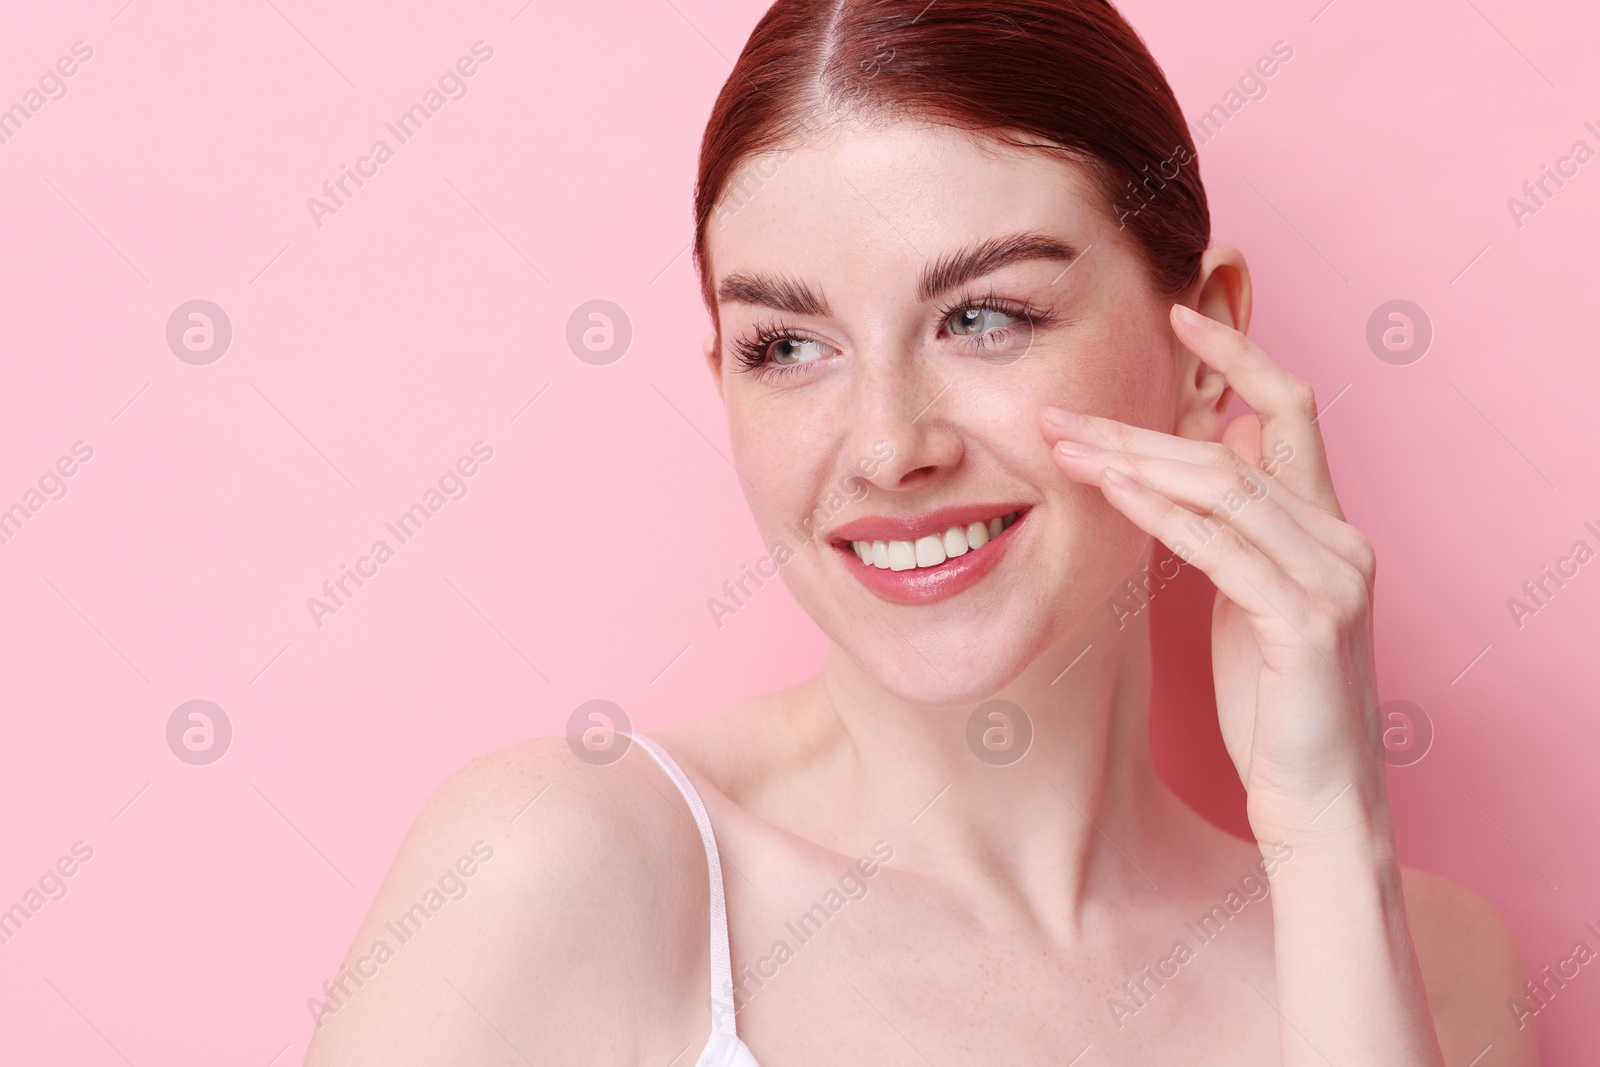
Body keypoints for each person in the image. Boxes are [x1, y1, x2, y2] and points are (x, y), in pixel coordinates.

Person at [304, 1, 1537, 1063]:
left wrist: (1327, 827)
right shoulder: (561, 871)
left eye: (985, 316)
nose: (889, 447)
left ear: (1202, 342)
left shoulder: (1434, 961)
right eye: (788, 348)